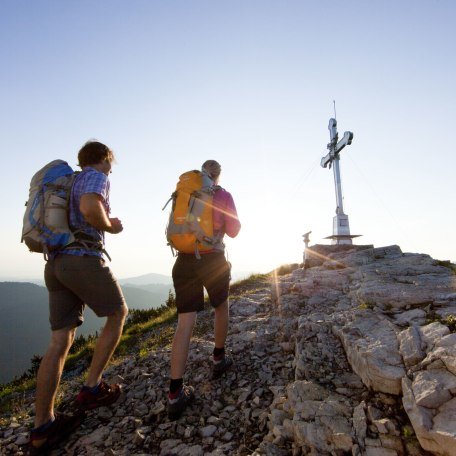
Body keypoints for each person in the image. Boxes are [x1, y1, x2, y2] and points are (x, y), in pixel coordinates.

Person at [28, 141, 128, 454]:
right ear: (105, 158)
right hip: (82, 258)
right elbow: (89, 207)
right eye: (112, 162)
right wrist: (110, 225)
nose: (112, 167)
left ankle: (42, 426)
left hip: (55, 263)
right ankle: (92, 388)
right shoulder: (95, 175)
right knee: (118, 314)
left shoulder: (67, 182)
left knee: (59, 341)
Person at [168, 159, 241, 420]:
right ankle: (218, 358)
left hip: (184, 260)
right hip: (212, 259)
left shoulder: (186, 194)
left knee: (185, 322)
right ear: (217, 176)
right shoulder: (223, 195)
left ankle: (175, 392)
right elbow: (234, 231)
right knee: (221, 306)